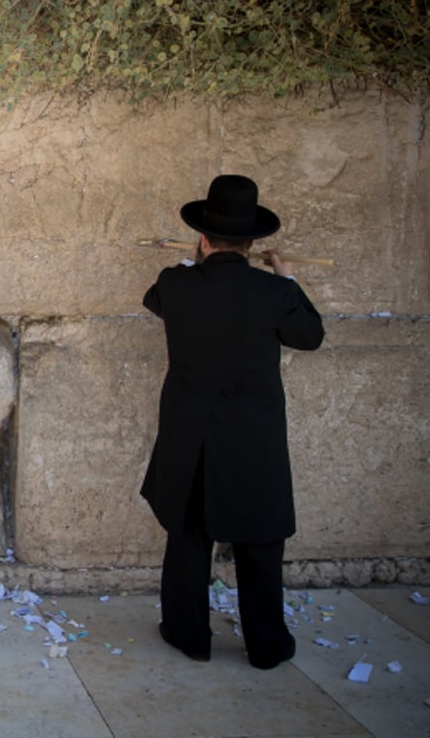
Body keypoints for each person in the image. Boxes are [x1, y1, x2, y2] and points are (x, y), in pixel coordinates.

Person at [142, 175, 325, 670]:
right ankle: (266, 644)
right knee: (260, 540)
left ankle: (188, 635)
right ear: (254, 243)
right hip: (253, 439)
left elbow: (157, 299)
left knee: (189, 535)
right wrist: (285, 275)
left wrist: (194, 262)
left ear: (202, 239)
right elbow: (310, 336)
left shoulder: (174, 283)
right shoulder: (273, 292)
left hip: (192, 436)